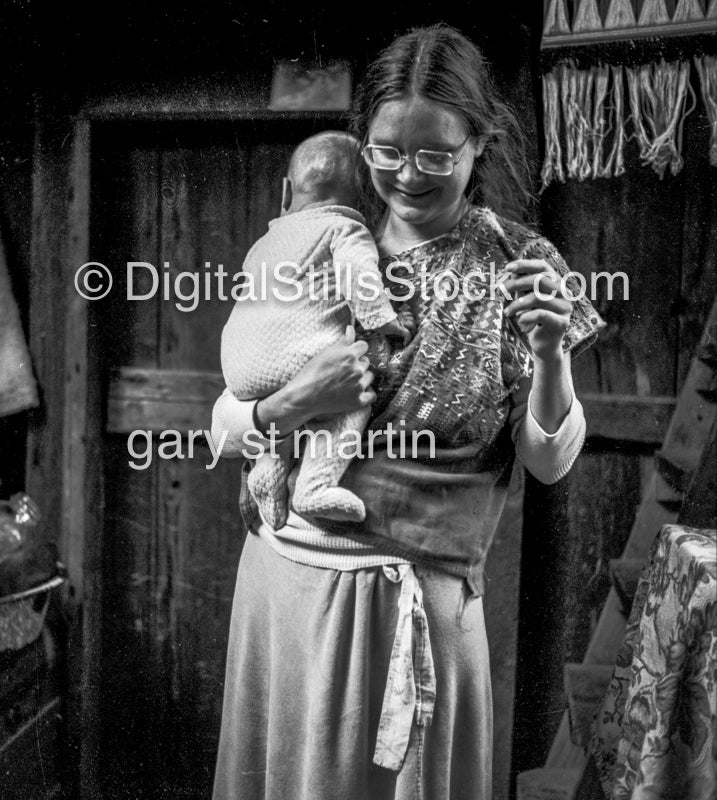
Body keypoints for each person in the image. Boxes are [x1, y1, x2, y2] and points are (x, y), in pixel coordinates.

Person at [211, 23, 604, 800]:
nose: (407, 175)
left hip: (418, 604)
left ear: (478, 145)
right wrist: (287, 406)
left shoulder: (517, 265)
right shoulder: (319, 239)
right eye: (387, 152)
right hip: (285, 587)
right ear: (363, 146)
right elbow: (225, 420)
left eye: (435, 154)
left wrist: (551, 354)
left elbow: (546, 461)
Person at [221, 130, 412, 529]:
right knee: (349, 399)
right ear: (372, 202)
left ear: (286, 192)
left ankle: (267, 473)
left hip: (239, 369)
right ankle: (314, 485)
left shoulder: (264, 243)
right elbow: (360, 277)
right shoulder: (345, 229)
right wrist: (385, 320)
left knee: (289, 397)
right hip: (298, 361)